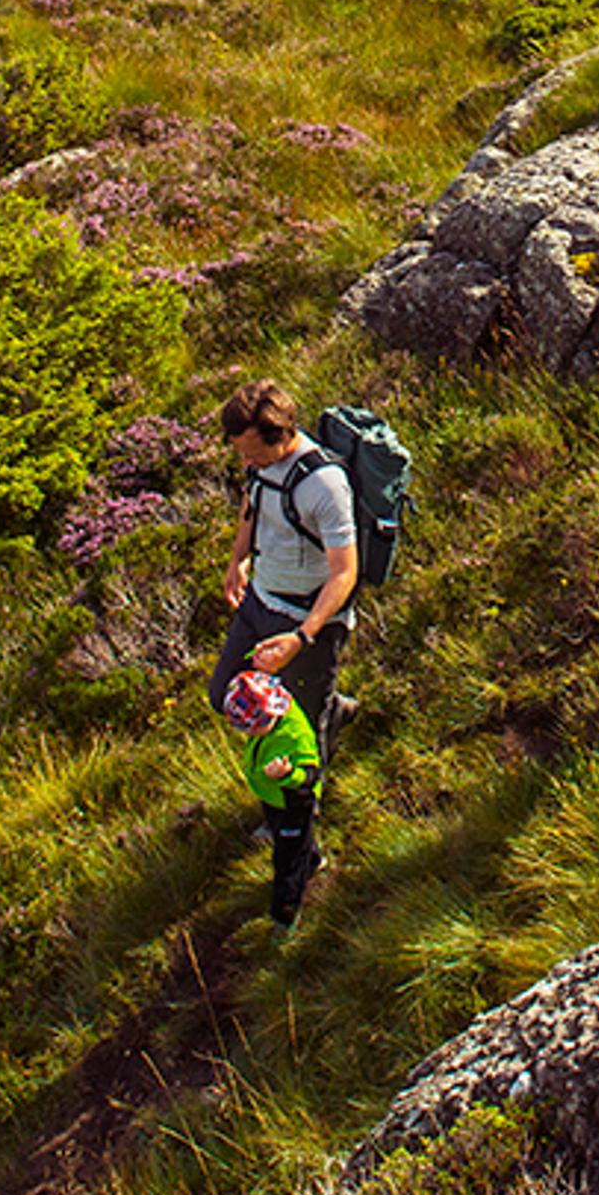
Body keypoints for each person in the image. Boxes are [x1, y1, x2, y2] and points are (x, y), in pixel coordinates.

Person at [212, 379, 355, 738]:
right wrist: (238, 561)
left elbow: (345, 572)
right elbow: (253, 501)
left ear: (281, 437)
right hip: (260, 601)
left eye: (253, 454)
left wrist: (301, 638)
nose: (246, 462)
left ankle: (322, 722)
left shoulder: (326, 486)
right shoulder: (260, 463)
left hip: (306, 619)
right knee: (223, 696)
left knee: (300, 732)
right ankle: (332, 704)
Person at [218, 669, 324, 928]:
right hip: (273, 799)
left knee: (286, 862)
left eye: (256, 727)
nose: (252, 733)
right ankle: (313, 860)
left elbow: (310, 776)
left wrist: (288, 774)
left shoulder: (296, 736)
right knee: (295, 842)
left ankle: (285, 915)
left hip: (293, 800)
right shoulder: (272, 717)